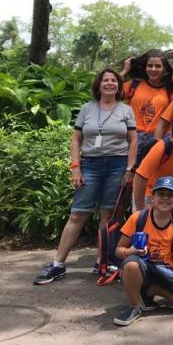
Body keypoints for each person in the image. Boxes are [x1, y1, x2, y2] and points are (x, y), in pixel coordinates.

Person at [34, 68, 137, 285]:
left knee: (108, 216)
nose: (109, 83)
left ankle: (104, 262)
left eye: (114, 80)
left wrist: (129, 170)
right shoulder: (86, 109)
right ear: (98, 85)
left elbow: (133, 141)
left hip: (117, 164)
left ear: (119, 86)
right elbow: (75, 140)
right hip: (90, 164)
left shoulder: (126, 110)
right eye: (105, 80)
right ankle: (58, 265)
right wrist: (75, 167)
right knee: (78, 214)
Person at [113, 176, 173, 326]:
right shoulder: (138, 218)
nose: (165, 198)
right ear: (152, 198)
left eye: (170, 195)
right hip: (142, 268)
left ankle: (153, 291)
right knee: (131, 265)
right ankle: (135, 306)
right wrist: (130, 251)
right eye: (161, 194)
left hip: (167, 270)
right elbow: (118, 250)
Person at [121, 49, 173, 159]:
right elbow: (109, 92)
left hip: (156, 139)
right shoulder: (134, 85)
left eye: (158, 66)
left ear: (164, 69)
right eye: (150, 66)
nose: (153, 69)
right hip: (132, 137)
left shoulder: (169, 90)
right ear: (145, 67)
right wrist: (125, 70)